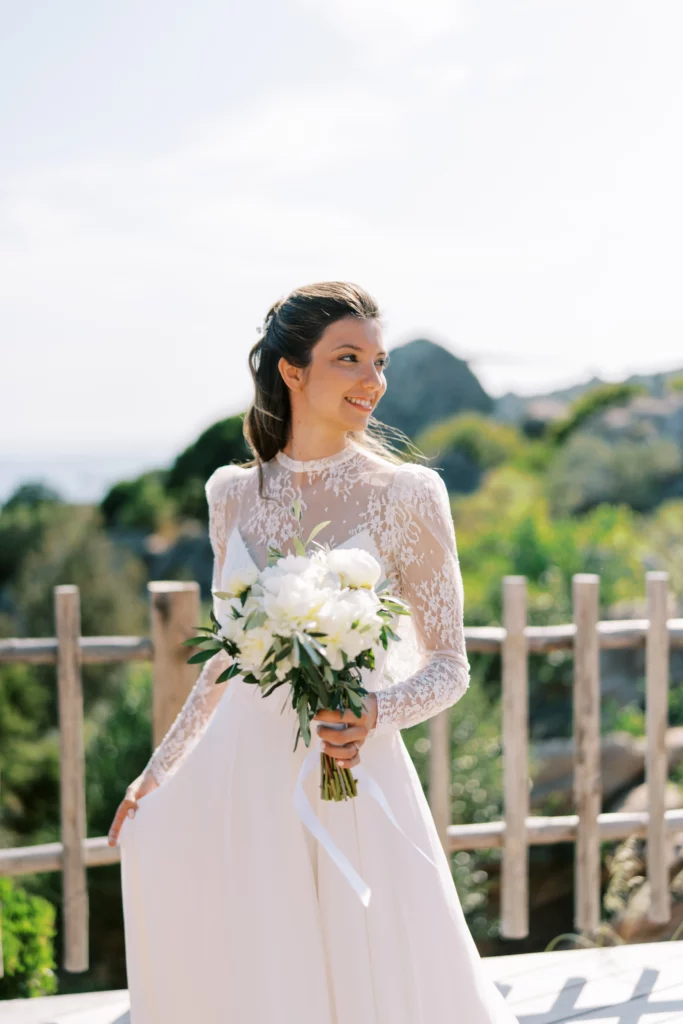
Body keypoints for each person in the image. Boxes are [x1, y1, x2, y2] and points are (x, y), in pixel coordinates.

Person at [109, 281, 519, 1023]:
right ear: (291, 371)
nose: (373, 381)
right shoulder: (229, 494)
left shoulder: (406, 494)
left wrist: (372, 712)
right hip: (238, 778)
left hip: (346, 774)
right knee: (261, 968)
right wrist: (157, 771)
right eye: (349, 359)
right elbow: (223, 656)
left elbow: (448, 665)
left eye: (378, 361)